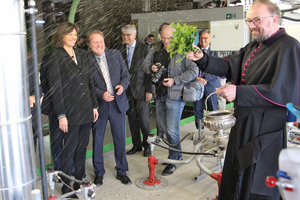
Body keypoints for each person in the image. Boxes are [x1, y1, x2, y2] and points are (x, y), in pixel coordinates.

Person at [186, 0, 300, 199]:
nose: (251, 25)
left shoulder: (289, 46)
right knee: (237, 173)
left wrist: (239, 92)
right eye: (249, 21)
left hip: (266, 129)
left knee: (256, 181)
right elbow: (229, 66)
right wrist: (202, 59)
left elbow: (283, 90)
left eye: (257, 20)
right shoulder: (254, 45)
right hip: (245, 121)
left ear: (274, 19)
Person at [40, 22, 98, 197]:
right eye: (69, 34)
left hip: (86, 108)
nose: (73, 37)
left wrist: (94, 105)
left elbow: (90, 83)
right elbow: (56, 89)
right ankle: (67, 186)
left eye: (75, 34)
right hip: (69, 111)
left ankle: (79, 180)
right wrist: (61, 115)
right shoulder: (54, 57)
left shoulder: (82, 54)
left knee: (82, 147)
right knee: (69, 149)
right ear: (61, 36)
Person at [143, 25, 198, 175]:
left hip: (175, 95)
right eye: (163, 38)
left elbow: (194, 70)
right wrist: (152, 68)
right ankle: (176, 156)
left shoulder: (183, 50)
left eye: (169, 38)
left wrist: (175, 80)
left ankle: (174, 159)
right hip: (159, 94)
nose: (166, 41)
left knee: (172, 130)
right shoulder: (155, 49)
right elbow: (145, 65)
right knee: (164, 129)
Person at [87, 30, 132, 186]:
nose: (99, 45)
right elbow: (87, 85)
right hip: (98, 107)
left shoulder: (115, 54)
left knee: (120, 139)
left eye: (101, 41)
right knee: (98, 140)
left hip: (117, 104)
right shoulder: (87, 60)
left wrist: (122, 86)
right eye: (95, 42)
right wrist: (101, 94)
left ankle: (122, 171)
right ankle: (99, 173)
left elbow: (127, 75)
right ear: (89, 45)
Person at [117, 25, 152, 157]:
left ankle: (147, 145)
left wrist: (149, 90)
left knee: (143, 119)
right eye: (123, 35)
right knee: (132, 120)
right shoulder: (119, 50)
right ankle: (136, 145)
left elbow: (149, 72)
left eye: (128, 35)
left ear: (135, 35)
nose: (125, 37)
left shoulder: (145, 49)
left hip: (142, 90)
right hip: (127, 92)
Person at [194, 29, 221, 129]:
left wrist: (206, 79)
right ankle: (199, 130)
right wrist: (197, 78)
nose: (203, 40)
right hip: (197, 84)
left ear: (210, 39)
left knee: (213, 108)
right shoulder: (194, 50)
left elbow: (218, 68)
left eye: (206, 38)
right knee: (198, 108)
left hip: (211, 83)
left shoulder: (216, 51)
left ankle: (215, 130)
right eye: (201, 38)